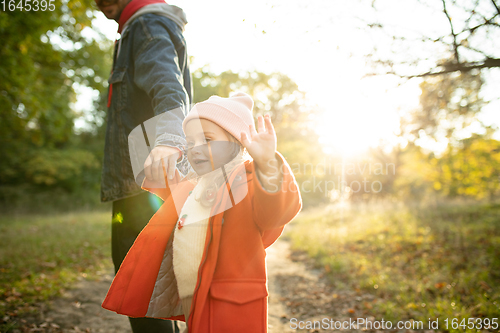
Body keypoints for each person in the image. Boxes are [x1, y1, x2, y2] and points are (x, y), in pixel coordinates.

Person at [101, 92, 303, 333]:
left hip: (227, 302)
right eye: (190, 143)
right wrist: (160, 168)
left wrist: (267, 165)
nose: (195, 149)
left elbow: (275, 211)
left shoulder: (246, 183)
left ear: (237, 143)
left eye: (207, 139)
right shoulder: (195, 183)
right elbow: (177, 199)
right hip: (192, 292)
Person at [94, 0, 192, 331]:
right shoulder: (140, 27)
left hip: (144, 185)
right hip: (141, 183)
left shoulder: (146, 25)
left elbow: (169, 89)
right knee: (153, 296)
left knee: (143, 293)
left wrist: (168, 141)